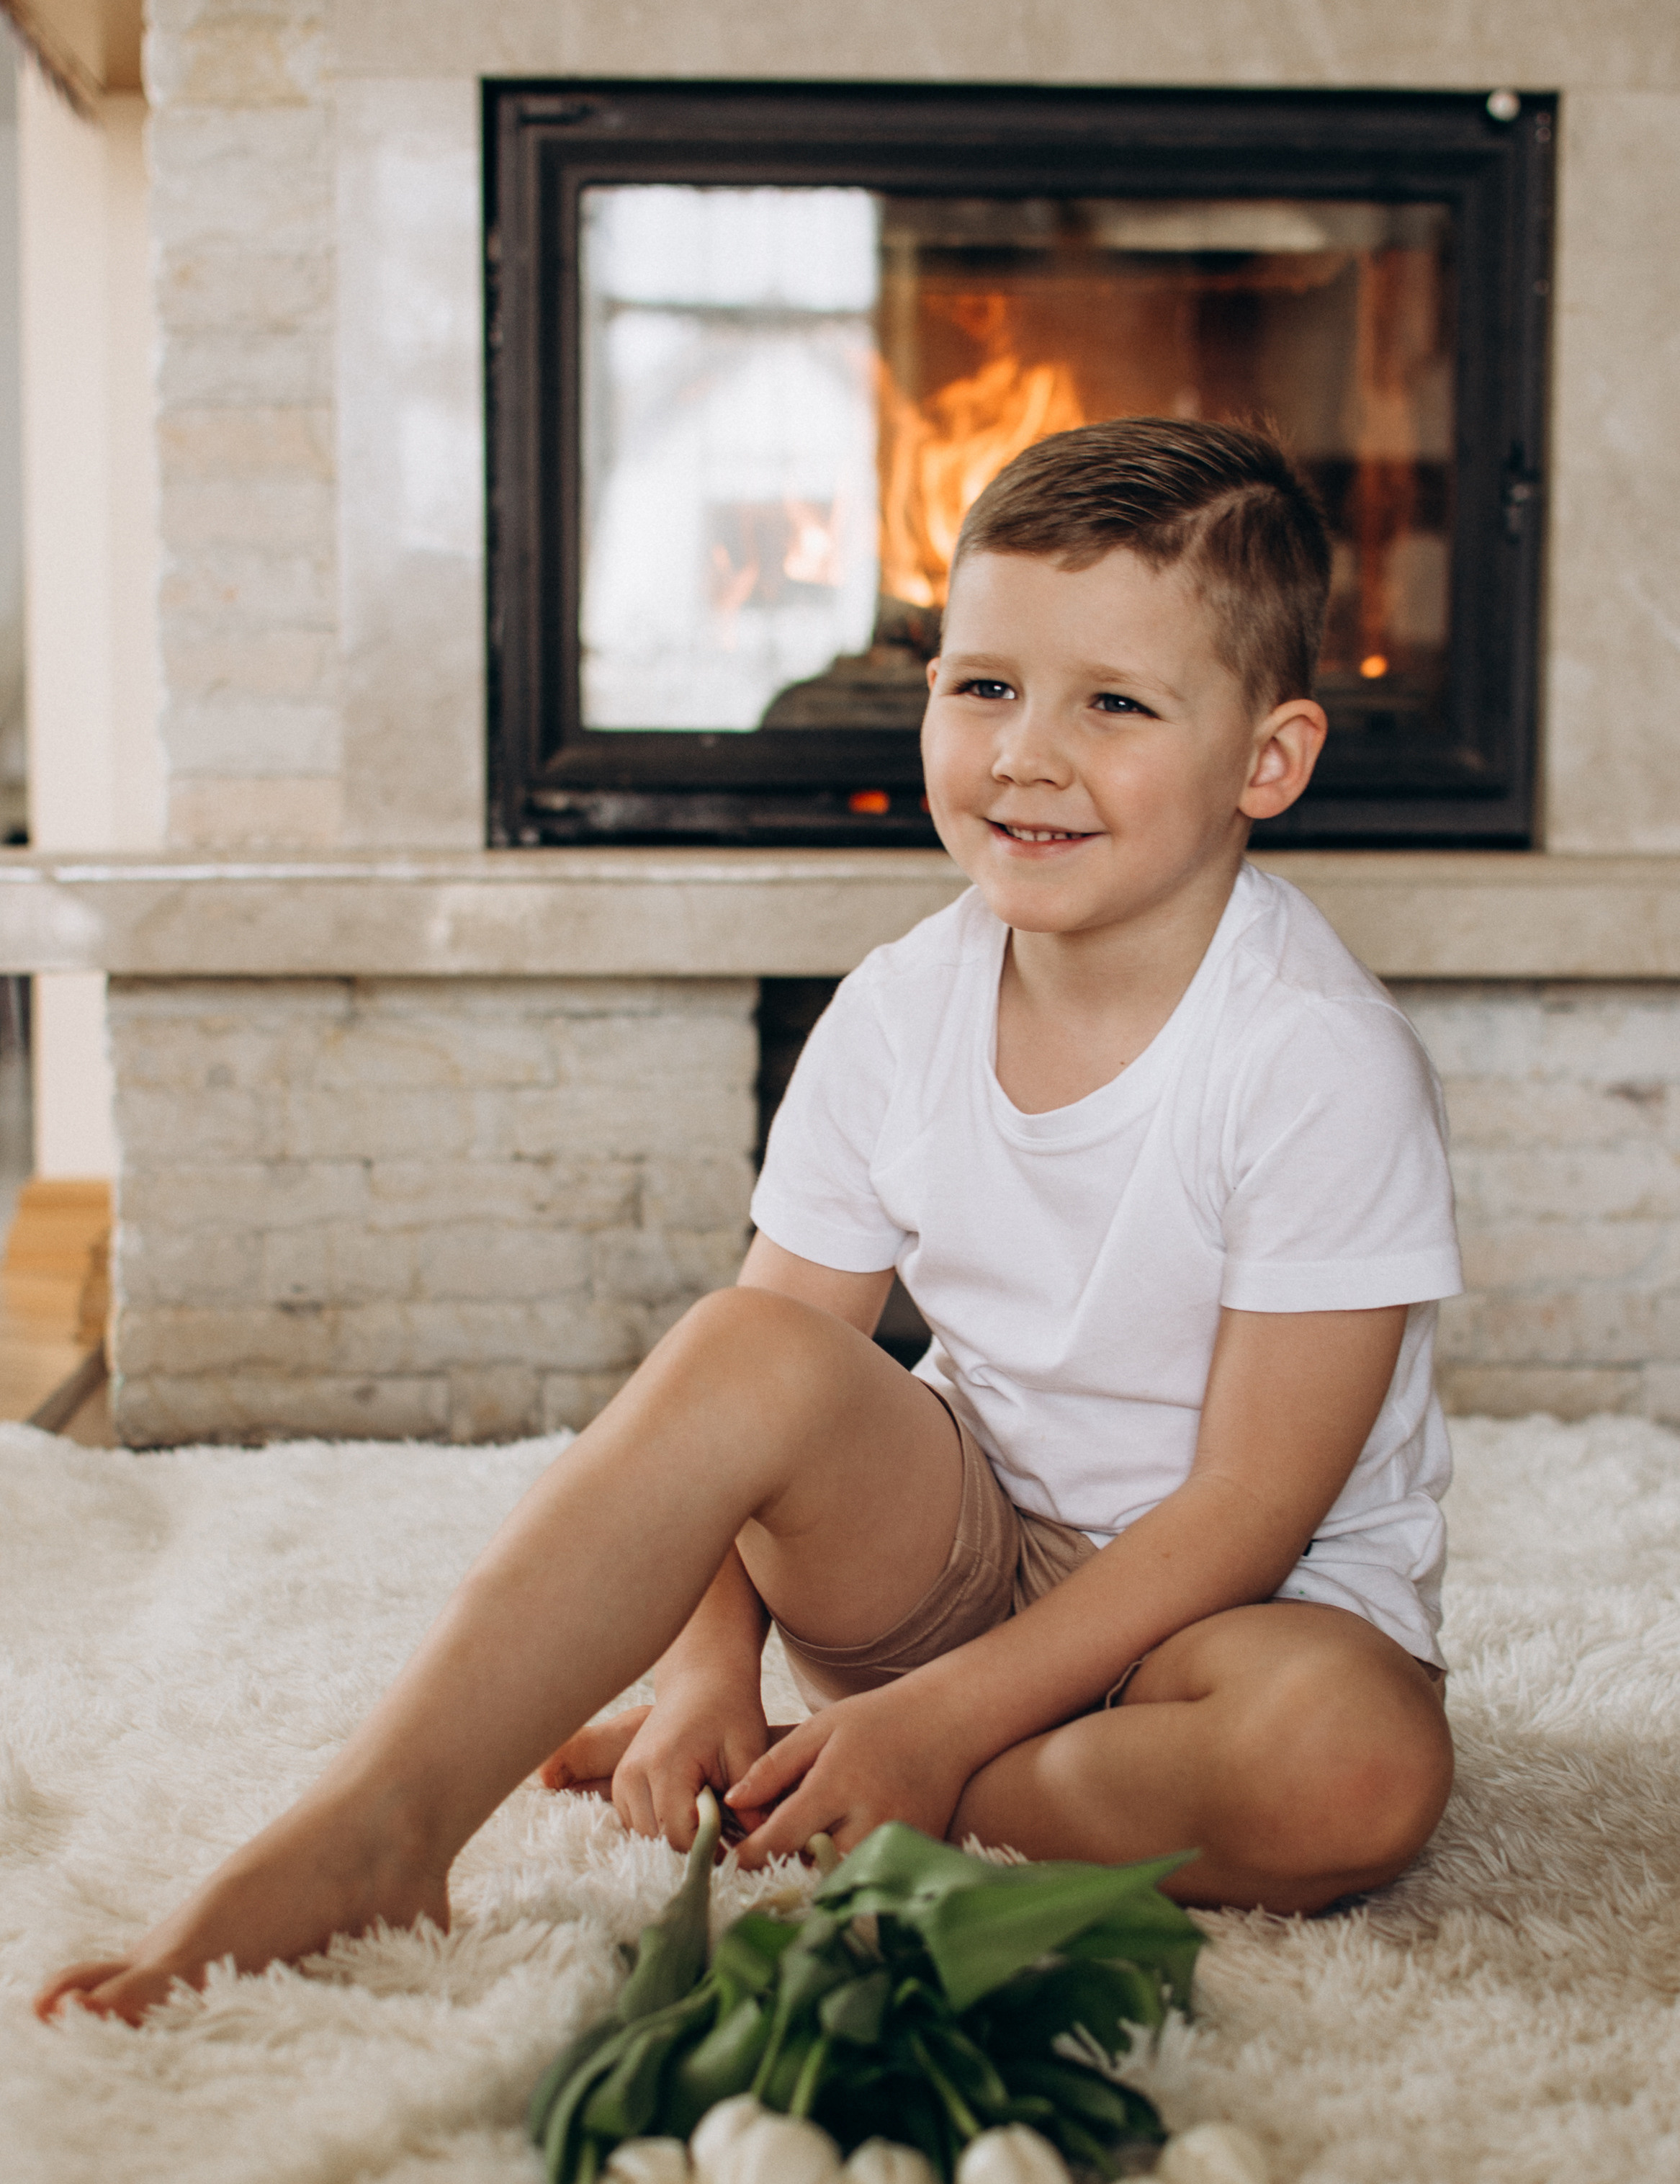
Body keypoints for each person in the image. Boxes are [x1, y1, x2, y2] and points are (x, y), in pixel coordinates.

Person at [37, 418, 1459, 2029]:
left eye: (1114, 703)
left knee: (1356, 1769)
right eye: (982, 683)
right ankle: (382, 1817)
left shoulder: (1314, 1055)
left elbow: (1248, 1510)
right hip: (966, 1553)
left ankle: (864, 1782)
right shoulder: (900, 1011)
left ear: (1267, 761)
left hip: (1229, 1627)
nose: (1025, 752)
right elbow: (752, 1390)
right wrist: (707, 1668)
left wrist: (928, 1733)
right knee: (743, 1344)